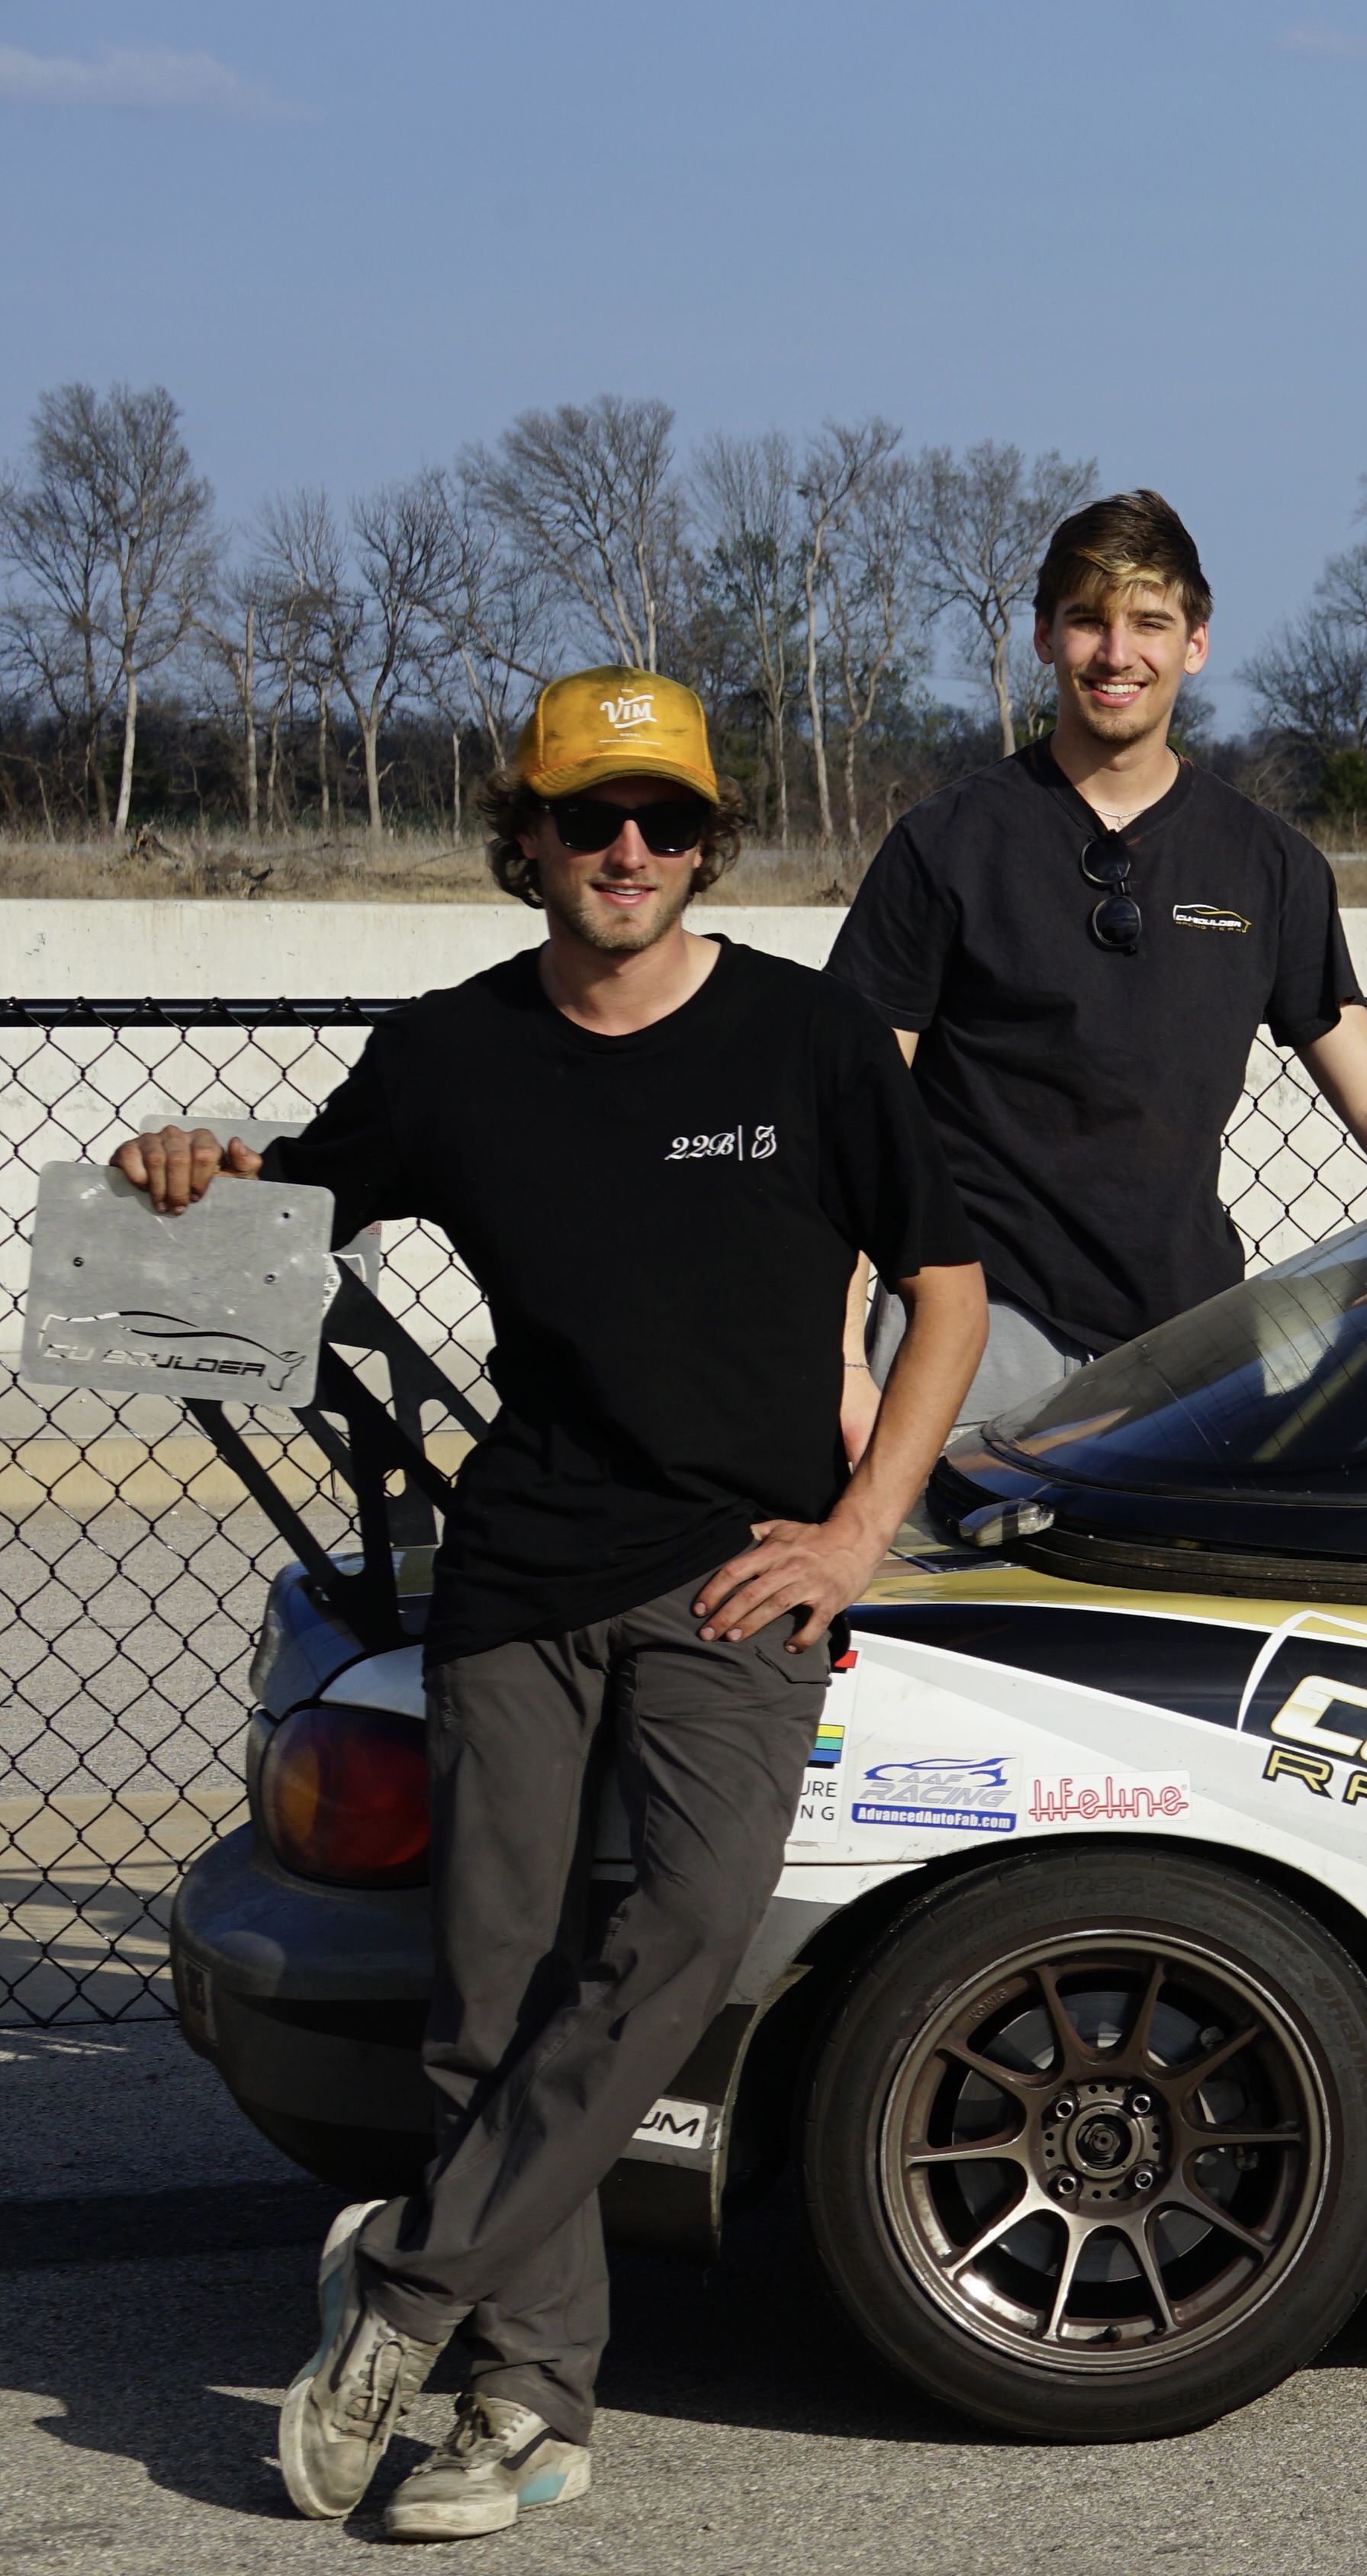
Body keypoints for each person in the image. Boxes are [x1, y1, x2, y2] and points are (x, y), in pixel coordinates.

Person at [115, 667, 984, 2539]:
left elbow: (952, 1295)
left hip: (743, 1572)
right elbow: (287, 1203)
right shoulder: (449, 1053)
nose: (629, 850)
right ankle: (528, 2402)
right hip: (518, 1572)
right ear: (523, 839)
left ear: (708, 844)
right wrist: (189, 1167)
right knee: (490, 2002)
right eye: (590, 819)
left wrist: (857, 1535)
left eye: (666, 820)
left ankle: (408, 2282)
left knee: (682, 1924)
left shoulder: (808, 1041)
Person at [831, 488, 1367, 1438]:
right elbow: (845, 1121)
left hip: (1187, 1343)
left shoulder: (1271, 864)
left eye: (1149, 624)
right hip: (970, 1329)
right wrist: (842, 1364)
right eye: (1089, 621)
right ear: (1044, 636)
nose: (1118, 655)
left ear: (1195, 643)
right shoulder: (946, 845)